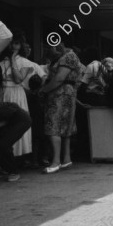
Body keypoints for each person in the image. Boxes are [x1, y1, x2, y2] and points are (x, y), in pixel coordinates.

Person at [39, 43, 83, 174]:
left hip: (60, 94)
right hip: (66, 94)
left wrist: (43, 90)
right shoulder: (69, 56)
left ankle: (56, 161)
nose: (49, 50)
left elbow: (59, 78)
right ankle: (66, 159)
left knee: (54, 126)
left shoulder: (68, 56)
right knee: (64, 128)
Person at [0, 33, 33, 158]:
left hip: (16, 92)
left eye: (16, 43)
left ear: (21, 45)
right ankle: (4, 156)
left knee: (18, 121)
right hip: (4, 92)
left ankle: (18, 156)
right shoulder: (1, 61)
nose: (13, 46)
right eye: (12, 43)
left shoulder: (24, 62)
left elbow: (18, 79)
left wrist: (13, 59)